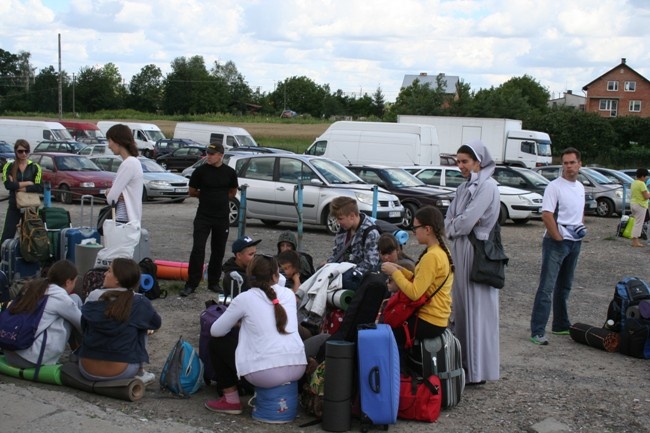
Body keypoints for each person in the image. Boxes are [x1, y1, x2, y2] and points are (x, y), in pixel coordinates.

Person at [206, 254, 306, 414]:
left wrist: (241, 323)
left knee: (216, 342)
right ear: (276, 275)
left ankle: (231, 400)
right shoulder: (288, 294)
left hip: (265, 374)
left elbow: (216, 331)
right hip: (298, 368)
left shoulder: (244, 298)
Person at [444, 140, 501, 385]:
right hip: (461, 248)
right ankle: (464, 364)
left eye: (465, 161)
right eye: (458, 161)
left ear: (479, 162)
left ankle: (478, 370)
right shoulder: (463, 188)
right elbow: (449, 221)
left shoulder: (487, 186)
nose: (461, 166)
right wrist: (458, 224)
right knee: (462, 307)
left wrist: (458, 223)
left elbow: (467, 222)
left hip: (476, 251)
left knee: (478, 310)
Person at [529, 147, 586, 346]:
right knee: (547, 287)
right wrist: (558, 237)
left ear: (580, 164)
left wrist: (579, 229)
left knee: (565, 286)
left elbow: (579, 213)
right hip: (557, 243)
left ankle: (560, 324)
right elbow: (546, 214)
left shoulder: (580, 187)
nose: (569, 166)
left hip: (574, 242)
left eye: (572, 162)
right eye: (565, 163)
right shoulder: (554, 187)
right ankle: (537, 330)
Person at [381, 206, 453, 351]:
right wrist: (401, 270)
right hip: (439, 317)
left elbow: (415, 293)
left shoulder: (431, 257)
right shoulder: (440, 251)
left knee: (386, 335)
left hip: (429, 319)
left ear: (428, 229)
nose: (414, 233)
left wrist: (394, 273)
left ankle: (399, 372)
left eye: (415, 228)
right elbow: (423, 281)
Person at [78, 258, 161, 384]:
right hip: (121, 372)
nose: (104, 274)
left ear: (118, 279)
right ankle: (140, 371)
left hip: (86, 369)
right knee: (143, 326)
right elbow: (156, 323)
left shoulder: (93, 296)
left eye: (109, 271)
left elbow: (83, 325)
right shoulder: (139, 302)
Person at [181, 142, 239, 297]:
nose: (209, 156)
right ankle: (191, 283)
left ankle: (213, 282)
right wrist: (206, 195)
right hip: (203, 216)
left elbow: (233, 191)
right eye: (208, 153)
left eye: (212, 154)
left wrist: (220, 197)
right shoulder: (200, 171)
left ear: (220, 155)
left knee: (218, 250)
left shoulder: (229, 172)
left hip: (221, 217)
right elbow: (192, 191)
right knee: (198, 249)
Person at [4, 260, 82, 368]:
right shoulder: (60, 297)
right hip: (30, 360)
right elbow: (82, 324)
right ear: (68, 282)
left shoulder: (33, 286)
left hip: (10, 353)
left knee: (72, 302)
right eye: (74, 282)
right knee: (73, 308)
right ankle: (82, 355)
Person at [327, 196, 381, 286]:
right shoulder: (343, 229)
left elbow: (371, 265)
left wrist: (345, 273)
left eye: (340, 219)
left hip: (359, 279)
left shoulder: (370, 233)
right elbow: (336, 253)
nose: (337, 222)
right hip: (340, 272)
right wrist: (328, 266)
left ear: (352, 216)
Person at [1, 139, 43, 243]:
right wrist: (28, 183)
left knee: (30, 236)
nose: (24, 153)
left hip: (31, 206)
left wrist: (19, 187)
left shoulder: (35, 167)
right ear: (16, 151)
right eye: (20, 151)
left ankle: (29, 257)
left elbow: (39, 187)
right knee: (7, 234)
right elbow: (8, 185)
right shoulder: (9, 166)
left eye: (26, 151)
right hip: (14, 205)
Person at [104, 124, 143, 223]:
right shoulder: (134, 162)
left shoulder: (128, 163)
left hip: (123, 221)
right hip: (130, 221)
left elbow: (111, 199)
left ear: (118, 141)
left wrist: (109, 192)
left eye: (109, 141)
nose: (109, 146)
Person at [630, 168, 650, 247]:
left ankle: (635, 241)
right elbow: (646, 196)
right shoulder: (641, 184)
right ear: (642, 176)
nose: (645, 178)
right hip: (640, 205)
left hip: (633, 204)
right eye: (645, 176)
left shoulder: (634, 182)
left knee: (636, 223)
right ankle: (635, 242)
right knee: (639, 224)